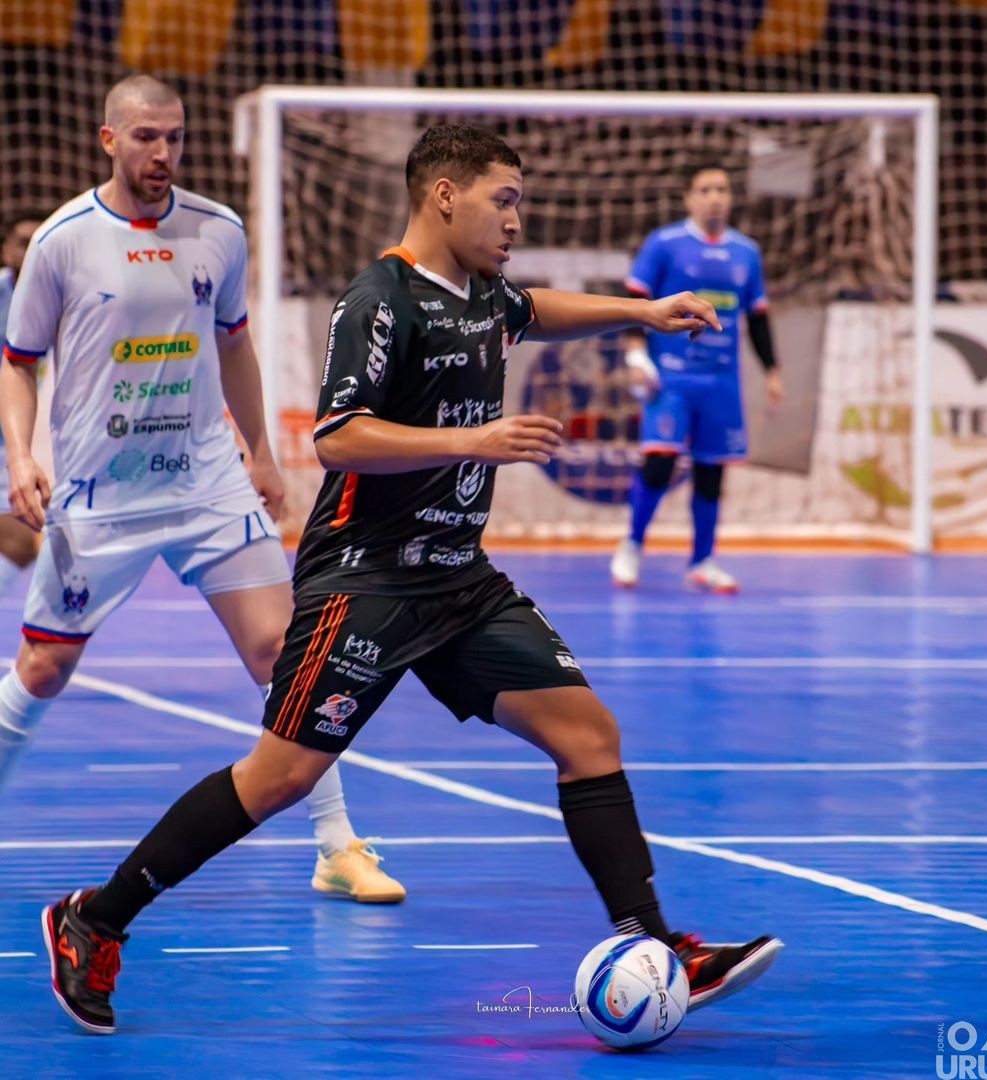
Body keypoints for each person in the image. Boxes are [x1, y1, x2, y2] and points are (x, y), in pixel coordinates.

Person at [41, 123, 781, 1035]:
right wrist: (475, 441)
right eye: (503, 199)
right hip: (368, 582)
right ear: (443, 194)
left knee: (589, 735)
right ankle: (93, 918)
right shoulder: (380, 299)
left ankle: (658, 945)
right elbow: (338, 437)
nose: (517, 218)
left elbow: (531, 308)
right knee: (277, 778)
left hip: (459, 581)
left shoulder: (481, 293)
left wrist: (641, 311)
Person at [0, 75, 403, 909]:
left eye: (175, 137)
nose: (163, 153)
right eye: (146, 137)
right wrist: (19, 457)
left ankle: (336, 846)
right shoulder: (63, 241)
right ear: (109, 139)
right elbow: (17, 362)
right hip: (98, 493)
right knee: (43, 667)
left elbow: (237, 345)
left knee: (284, 653)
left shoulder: (219, 230)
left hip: (207, 480)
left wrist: (260, 450)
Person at [611, 167, 784, 593]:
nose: (715, 197)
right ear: (689, 197)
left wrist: (773, 371)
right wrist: (636, 354)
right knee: (659, 463)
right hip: (671, 380)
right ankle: (632, 545)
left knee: (712, 472)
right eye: (705, 189)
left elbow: (757, 317)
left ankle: (703, 560)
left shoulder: (748, 252)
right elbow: (634, 301)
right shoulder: (664, 244)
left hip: (722, 383)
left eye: (722, 189)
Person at [0, 219, 43, 594]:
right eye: (23, 242)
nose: (29, 252)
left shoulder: (64, 299)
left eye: (37, 243)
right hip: (10, 443)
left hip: (40, 441)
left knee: (24, 537)